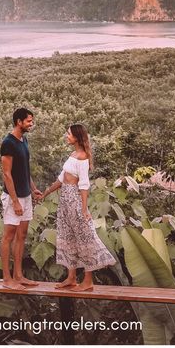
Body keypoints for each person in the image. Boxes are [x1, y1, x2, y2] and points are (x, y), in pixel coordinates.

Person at [41, 123, 116, 291]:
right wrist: (45, 193)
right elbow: (61, 179)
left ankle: (88, 280)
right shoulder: (73, 154)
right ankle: (71, 277)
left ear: (76, 137)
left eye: (69, 134)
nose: (67, 136)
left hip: (75, 199)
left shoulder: (82, 157)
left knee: (84, 237)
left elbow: (84, 184)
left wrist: (83, 208)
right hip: (65, 202)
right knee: (68, 237)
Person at [0, 107, 43, 288]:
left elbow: (25, 169)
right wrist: (15, 201)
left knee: (22, 235)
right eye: (28, 121)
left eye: (31, 121)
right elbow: (6, 174)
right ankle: (7, 279)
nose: (31, 124)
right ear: (19, 121)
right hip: (13, 198)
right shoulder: (8, 143)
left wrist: (33, 190)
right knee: (8, 236)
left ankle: (19, 276)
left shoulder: (23, 140)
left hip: (25, 195)